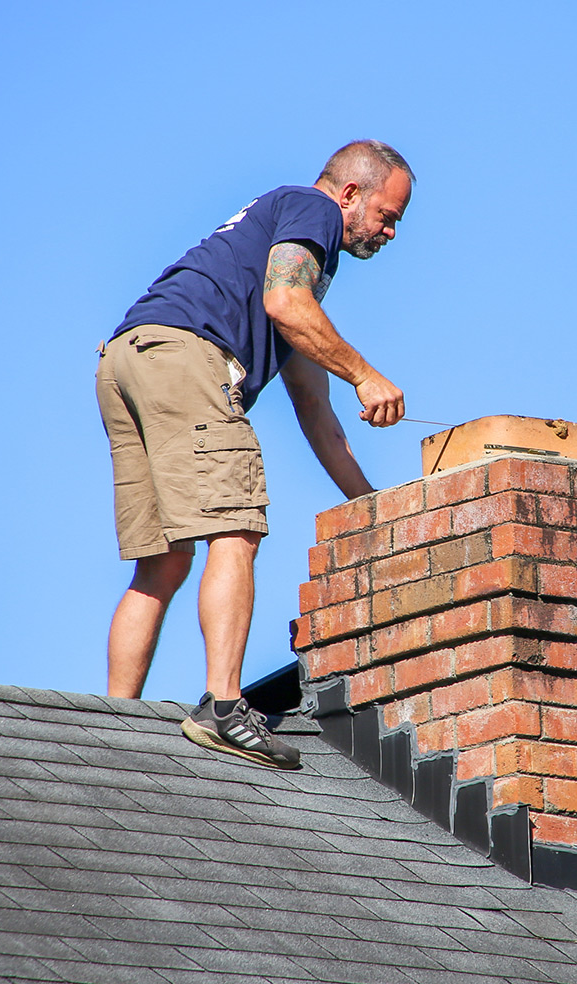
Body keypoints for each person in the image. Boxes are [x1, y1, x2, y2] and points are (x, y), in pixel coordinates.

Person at [95, 140, 413, 769]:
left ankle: (113, 725)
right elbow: (286, 303)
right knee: (235, 529)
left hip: (130, 357)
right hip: (189, 356)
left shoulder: (285, 262)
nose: (391, 230)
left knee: (163, 561)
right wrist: (367, 376)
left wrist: (375, 509)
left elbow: (317, 416)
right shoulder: (310, 210)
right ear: (350, 194)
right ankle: (223, 707)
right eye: (388, 213)